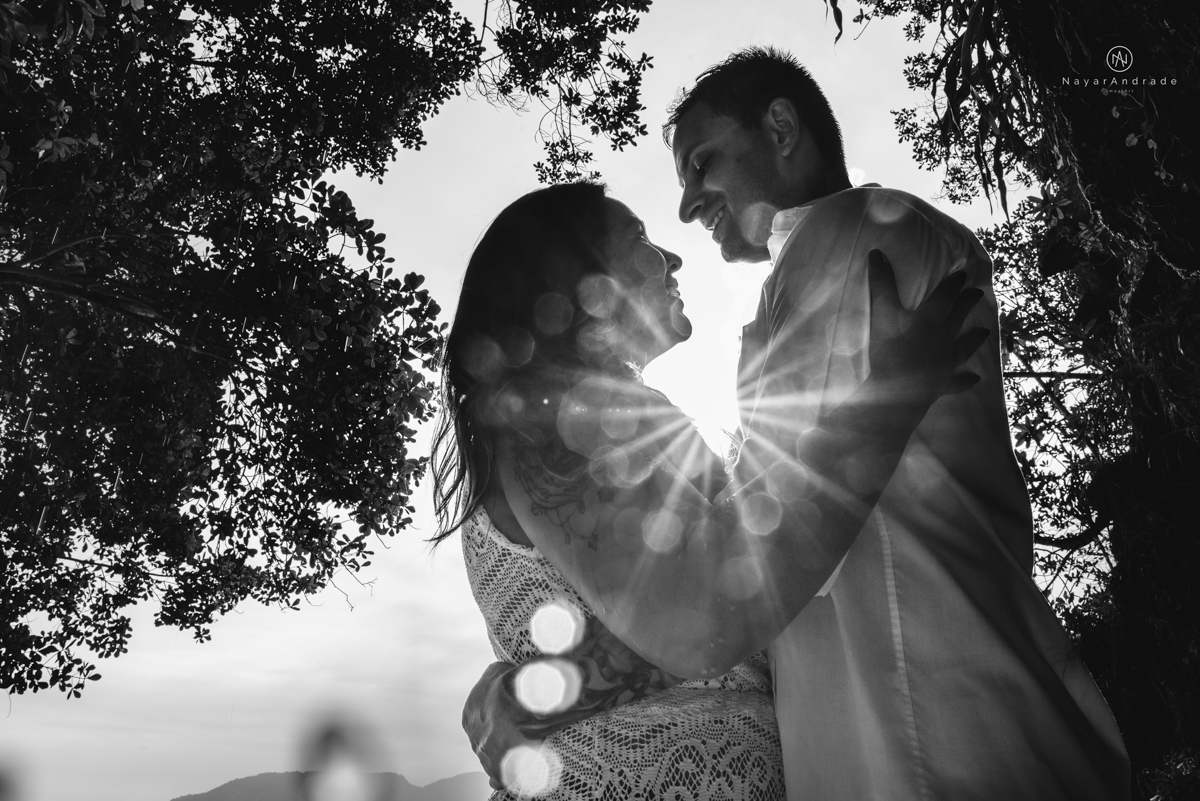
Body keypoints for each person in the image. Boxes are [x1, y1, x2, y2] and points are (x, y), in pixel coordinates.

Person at [464, 47, 1131, 800]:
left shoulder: (851, 238)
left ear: (781, 127)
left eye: (702, 162)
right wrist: (549, 688)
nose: (685, 215)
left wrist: (545, 690)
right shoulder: (576, 412)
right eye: (645, 234)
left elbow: (746, 574)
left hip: (925, 735)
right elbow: (735, 578)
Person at [436, 180, 988, 800]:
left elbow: (717, 582)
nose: (671, 258)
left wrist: (532, 694)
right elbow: (698, 620)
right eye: (639, 240)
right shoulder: (556, 417)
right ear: (577, 281)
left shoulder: (619, 419)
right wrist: (893, 398)